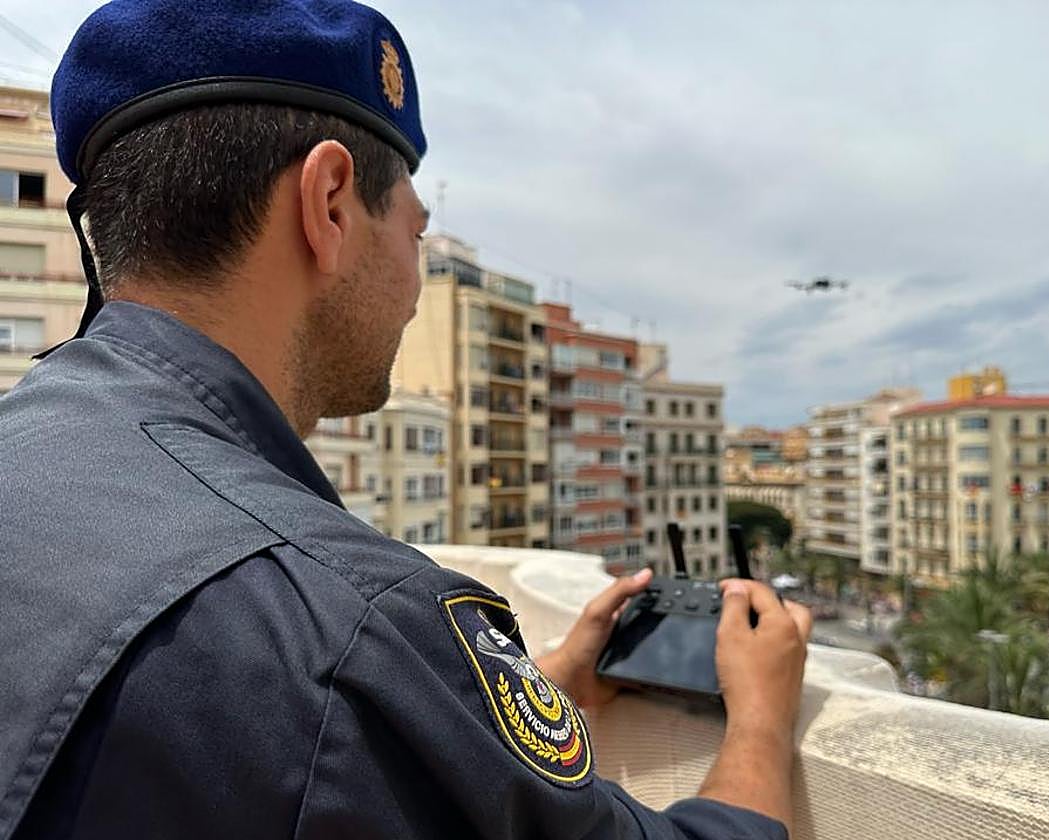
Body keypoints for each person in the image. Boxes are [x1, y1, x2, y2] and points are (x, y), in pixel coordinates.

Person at [0, 1, 813, 838]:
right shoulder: (347, 620)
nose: (416, 286)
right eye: (416, 233)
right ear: (329, 204)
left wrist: (492, 702)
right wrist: (762, 713)